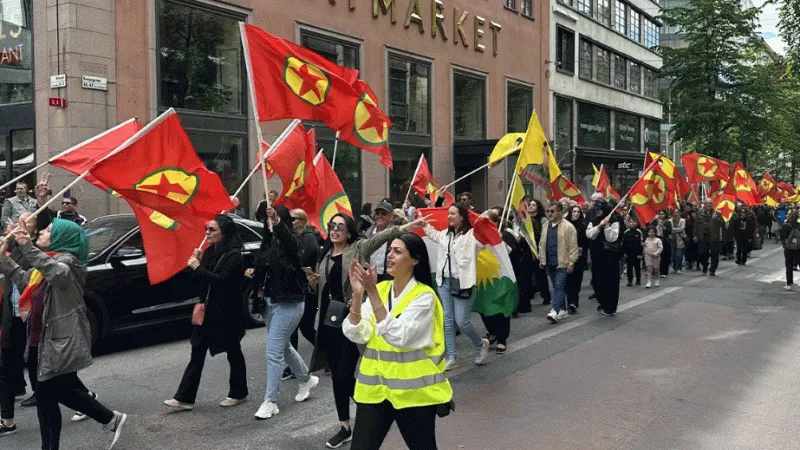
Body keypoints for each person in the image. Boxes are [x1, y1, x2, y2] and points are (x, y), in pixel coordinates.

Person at [0, 218, 127, 450]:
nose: (43, 232)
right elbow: (23, 279)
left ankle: (109, 418)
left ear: (62, 238)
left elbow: (57, 275)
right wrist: (3, 259)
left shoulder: (69, 263)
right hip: (41, 340)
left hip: (59, 341)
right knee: (46, 398)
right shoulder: (47, 262)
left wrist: (27, 247)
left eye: (49, 230)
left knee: (49, 391)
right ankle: (108, 420)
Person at [308, 214, 421, 448]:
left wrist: (405, 227)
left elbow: (382, 236)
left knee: (344, 376)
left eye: (340, 226)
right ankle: (345, 426)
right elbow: (325, 288)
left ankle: (373, 414)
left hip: (351, 319)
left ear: (349, 232)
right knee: (338, 380)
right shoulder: (325, 254)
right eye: (332, 226)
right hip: (329, 322)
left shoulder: (359, 248)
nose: (335, 230)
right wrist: (313, 282)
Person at [343, 233, 452, 450]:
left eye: (398, 251)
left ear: (415, 260)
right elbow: (357, 333)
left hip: (414, 394)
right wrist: (357, 295)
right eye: (390, 250)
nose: (390, 256)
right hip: (376, 391)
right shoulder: (382, 289)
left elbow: (399, 336)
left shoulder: (424, 296)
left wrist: (371, 293)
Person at [164, 215, 248, 411]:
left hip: (228, 312)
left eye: (212, 230)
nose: (207, 233)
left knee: (233, 351)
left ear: (224, 232)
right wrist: (197, 265)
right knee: (197, 350)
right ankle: (184, 397)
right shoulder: (210, 251)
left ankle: (239, 392)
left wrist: (198, 267)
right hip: (208, 311)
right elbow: (203, 281)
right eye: (206, 229)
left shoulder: (234, 255)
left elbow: (222, 282)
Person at [251, 206, 319, 420]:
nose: (269, 222)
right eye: (267, 220)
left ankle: (270, 401)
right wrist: (254, 273)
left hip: (290, 303)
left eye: (273, 219)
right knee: (284, 346)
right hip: (270, 302)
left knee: (273, 352)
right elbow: (264, 268)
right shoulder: (267, 241)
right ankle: (306, 379)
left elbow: (288, 243)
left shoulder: (294, 241)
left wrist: (277, 221)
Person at [423, 203, 490, 370]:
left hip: (463, 284)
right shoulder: (446, 234)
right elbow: (433, 234)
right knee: (448, 320)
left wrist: (485, 226)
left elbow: (484, 242)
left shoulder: (472, 235)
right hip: (444, 282)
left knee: (463, 322)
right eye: (448, 214)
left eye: (453, 213)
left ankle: (480, 344)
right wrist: (422, 223)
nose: (449, 216)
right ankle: (451, 356)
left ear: (462, 216)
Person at [285, 209, 320, 380]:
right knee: (294, 327)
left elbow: (301, 260)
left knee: (305, 327)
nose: (289, 222)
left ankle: (326, 354)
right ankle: (294, 365)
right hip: (297, 289)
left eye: (292, 219)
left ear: (302, 220)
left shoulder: (308, 238)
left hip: (308, 290)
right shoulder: (295, 237)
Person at [480, 209, 517, 353]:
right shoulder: (477, 236)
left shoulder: (505, 234)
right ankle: (493, 332)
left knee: (500, 307)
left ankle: (502, 338)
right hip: (483, 277)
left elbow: (510, 251)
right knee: (484, 307)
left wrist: (498, 241)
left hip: (500, 276)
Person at [538, 202, 579, 323]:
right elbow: (542, 243)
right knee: (556, 286)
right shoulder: (546, 225)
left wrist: (572, 262)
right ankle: (562, 309)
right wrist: (541, 259)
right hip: (550, 261)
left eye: (553, 211)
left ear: (560, 212)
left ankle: (554, 311)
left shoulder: (568, 227)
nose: (550, 213)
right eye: (548, 211)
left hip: (563, 262)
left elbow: (573, 246)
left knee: (559, 286)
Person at [586, 201, 623, 316]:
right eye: (596, 209)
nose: (597, 211)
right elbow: (589, 234)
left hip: (610, 256)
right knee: (598, 281)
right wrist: (599, 226)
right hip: (597, 256)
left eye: (599, 209)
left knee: (611, 282)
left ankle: (610, 307)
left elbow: (612, 238)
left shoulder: (615, 220)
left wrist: (607, 226)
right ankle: (602, 302)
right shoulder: (594, 221)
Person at [565, 205, 589, 313]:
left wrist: (582, 248)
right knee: (568, 279)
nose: (576, 213)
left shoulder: (583, 225)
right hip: (567, 255)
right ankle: (569, 300)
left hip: (579, 256)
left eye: (578, 212)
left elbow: (587, 240)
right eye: (574, 211)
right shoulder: (565, 225)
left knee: (577, 279)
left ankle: (573, 302)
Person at [528, 199, 551, 306]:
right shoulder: (524, 219)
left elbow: (545, 236)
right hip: (526, 250)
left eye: (533, 205)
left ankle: (546, 295)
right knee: (526, 274)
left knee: (540, 274)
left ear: (538, 207)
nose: (531, 206)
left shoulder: (542, 220)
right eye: (529, 205)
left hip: (538, 249)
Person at [365, 202, 395, 282]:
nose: (379, 216)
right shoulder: (367, 234)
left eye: (383, 213)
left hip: (388, 277)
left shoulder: (396, 234)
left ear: (391, 216)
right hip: (370, 275)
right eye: (377, 213)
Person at [694, 201, 725, 276]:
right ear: (704, 205)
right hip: (703, 236)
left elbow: (723, 225)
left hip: (713, 237)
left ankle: (712, 270)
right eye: (707, 203)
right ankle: (705, 264)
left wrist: (716, 219)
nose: (709, 204)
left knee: (714, 254)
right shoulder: (700, 213)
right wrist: (695, 235)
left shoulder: (717, 213)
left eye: (710, 203)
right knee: (702, 254)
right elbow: (696, 225)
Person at [780, 209, 800, 290]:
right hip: (799, 248)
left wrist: (785, 245)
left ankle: (789, 284)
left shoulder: (786, 225)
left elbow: (782, 237)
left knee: (789, 266)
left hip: (789, 248)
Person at [622, 217, 643, 287]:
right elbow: (624, 244)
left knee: (637, 267)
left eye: (634, 222)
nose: (632, 223)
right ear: (628, 223)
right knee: (629, 267)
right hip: (629, 253)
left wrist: (640, 253)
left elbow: (641, 243)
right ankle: (629, 280)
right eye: (630, 222)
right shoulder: (626, 232)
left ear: (637, 223)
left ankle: (638, 279)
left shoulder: (639, 232)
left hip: (637, 253)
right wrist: (624, 252)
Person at [655, 210, 672, 278]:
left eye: (662, 214)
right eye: (660, 214)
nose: (661, 215)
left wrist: (663, 227)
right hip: (657, 240)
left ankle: (664, 271)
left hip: (665, 241)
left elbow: (670, 232)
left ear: (665, 215)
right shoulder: (655, 221)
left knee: (665, 257)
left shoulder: (668, 222)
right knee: (657, 256)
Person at [669, 209, 686, 274]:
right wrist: (676, 230)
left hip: (680, 239)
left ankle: (679, 268)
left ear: (679, 213)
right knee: (673, 255)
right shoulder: (669, 221)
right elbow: (669, 230)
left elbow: (682, 229)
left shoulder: (683, 220)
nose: (676, 213)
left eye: (677, 212)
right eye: (674, 212)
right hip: (672, 240)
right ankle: (674, 267)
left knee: (679, 255)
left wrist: (673, 229)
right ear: (673, 213)